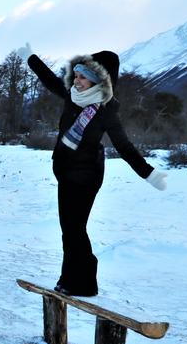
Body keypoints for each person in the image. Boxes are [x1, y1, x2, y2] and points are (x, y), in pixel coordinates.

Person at [20, 44, 167, 297]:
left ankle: (85, 282)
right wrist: (31, 59)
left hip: (87, 175)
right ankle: (69, 279)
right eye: (76, 75)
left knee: (75, 228)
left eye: (83, 77)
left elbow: (124, 146)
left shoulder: (107, 111)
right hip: (65, 172)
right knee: (69, 229)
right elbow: (49, 80)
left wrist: (148, 173)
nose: (76, 81)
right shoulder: (71, 96)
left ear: (100, 81)